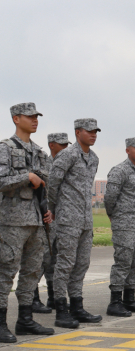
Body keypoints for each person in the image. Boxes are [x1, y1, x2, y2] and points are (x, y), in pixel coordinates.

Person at [0, 103, 55, 343]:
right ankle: (1, 323)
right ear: (16, 118)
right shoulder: (5, 148)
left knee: (32, 272)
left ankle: (25, 319)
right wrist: (27, 177)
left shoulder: (40, 152)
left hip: (36, 220)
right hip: (12, 221)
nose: (35, 120)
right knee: (5, 272)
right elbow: (1, 180)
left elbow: (45, 184)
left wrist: (48, 210)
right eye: (30, 117)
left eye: (36, 117)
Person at [48, 118, 103, 328]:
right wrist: (54, 209)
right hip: (67, 219)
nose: (93, 135)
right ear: (78, 132)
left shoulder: (94, 158)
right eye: (89, 131)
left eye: (96, 131)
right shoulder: (67, 155)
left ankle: (77, 307)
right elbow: (53, 183)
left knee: (82, 264)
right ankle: (61, 310)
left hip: (85, 220)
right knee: (65, 264)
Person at [104, 137, 135, 317]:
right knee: (123, 262)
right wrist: (116, 218)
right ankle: (115, 302)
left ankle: (129, 299)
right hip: (125, 225)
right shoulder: (120, 171)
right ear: (127, 150)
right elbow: (109, 199)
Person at [32, 132, 71, 313]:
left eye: (67, 144)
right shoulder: (43, 165)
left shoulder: (68, 164)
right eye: (61, 144)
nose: (65, 148)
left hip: (61, 219)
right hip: (45, 218)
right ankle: (32, 299)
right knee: (40, 260)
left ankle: (53, 298)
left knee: (54, 261)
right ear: (52, 145)